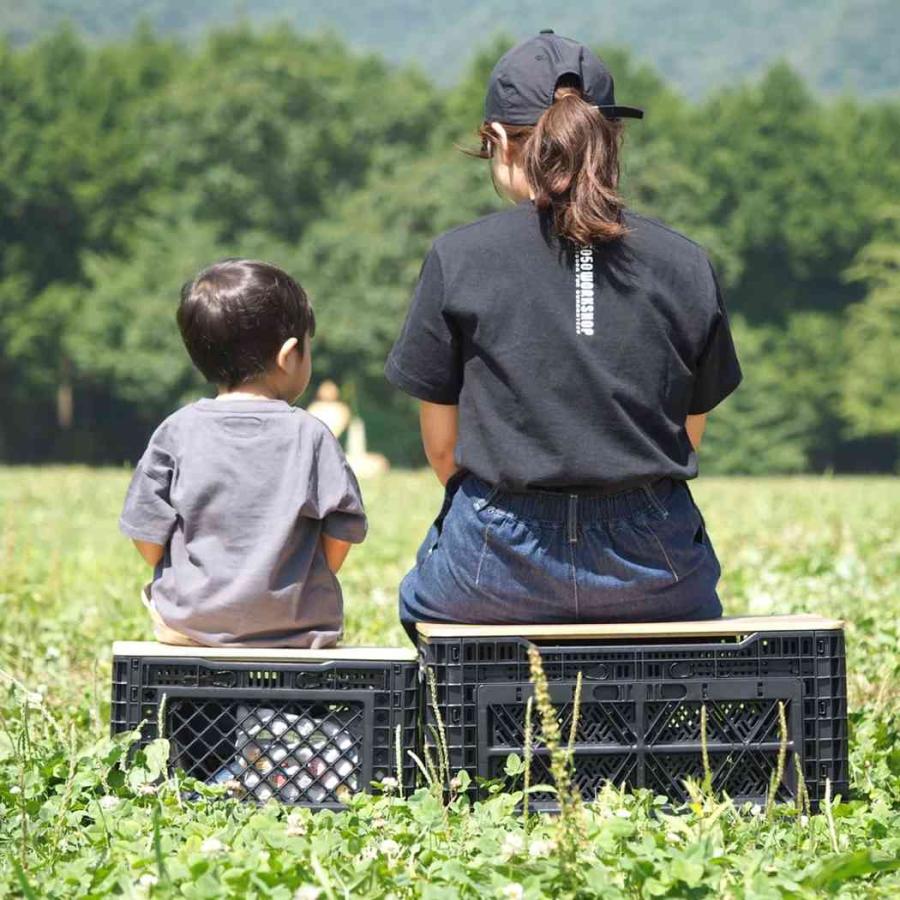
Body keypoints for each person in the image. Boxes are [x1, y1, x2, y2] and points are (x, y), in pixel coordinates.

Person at [385, 32, 742, 641]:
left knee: (424, 602)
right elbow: (686, 435)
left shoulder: (459, 257)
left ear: (497, 140)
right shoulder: (686, 262)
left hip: (496, 562)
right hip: (653, 565)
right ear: (612, 137)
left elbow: (444, 452)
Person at [119, 259, 367, 648]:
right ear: (289, 356)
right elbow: (341, 533)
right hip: (298, 629)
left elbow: (148, 538)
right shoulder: (312, 435)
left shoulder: (176, 431)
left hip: (189, 626)